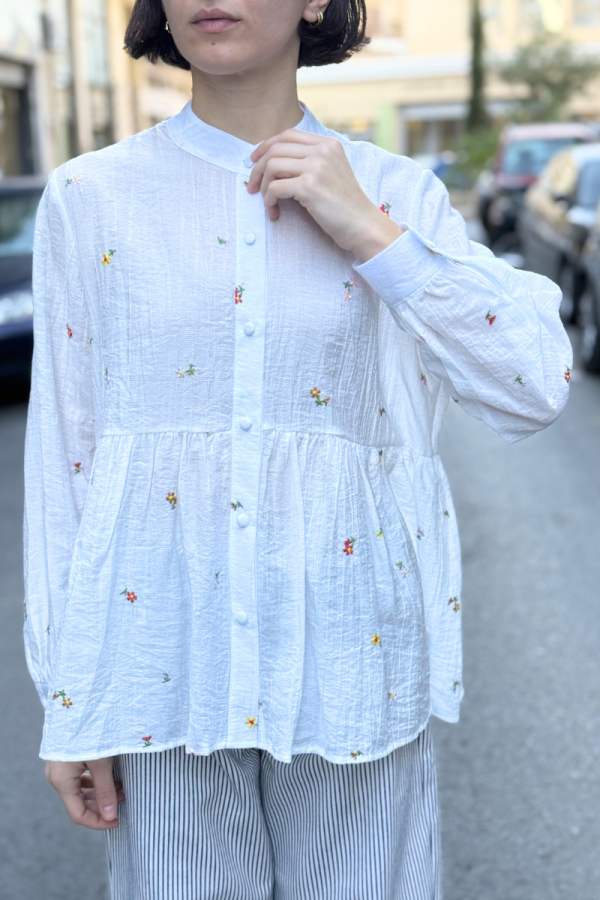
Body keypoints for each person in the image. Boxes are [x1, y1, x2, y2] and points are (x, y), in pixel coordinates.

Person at [22, 1, 573, 898]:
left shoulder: (394, 193)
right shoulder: (94, 197)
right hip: (170, 667)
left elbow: (533, 383)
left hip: (354, 661)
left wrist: (368, 232)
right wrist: (71, 700)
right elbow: (67, 453)